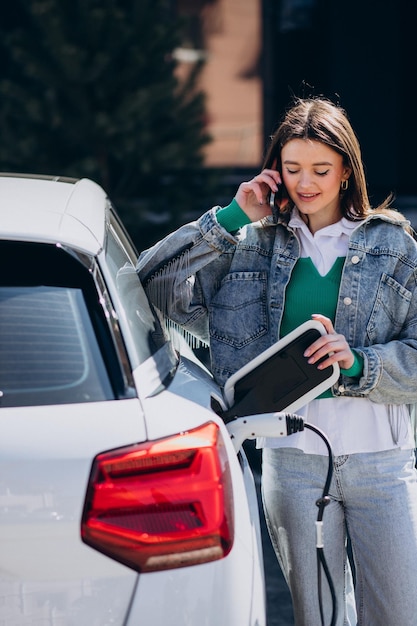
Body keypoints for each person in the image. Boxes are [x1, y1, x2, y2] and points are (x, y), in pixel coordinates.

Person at [136, 97, 417, 625]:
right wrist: (231, 216)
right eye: (292, 169)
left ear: (346, 171)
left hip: (383, 465)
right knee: (321, 619)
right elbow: (149, 285)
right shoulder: (250, 246)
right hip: (292, 465)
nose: (304, 183)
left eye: (320, 169)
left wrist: (359, 363)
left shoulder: (393, 246)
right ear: (275, 171)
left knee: (398, 616)